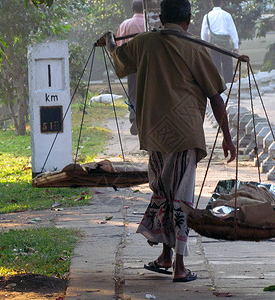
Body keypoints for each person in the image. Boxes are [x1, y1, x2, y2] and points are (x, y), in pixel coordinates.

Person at [97, 0, 235, 283]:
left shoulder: (145, 42)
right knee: (180, 198)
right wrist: (227, 138)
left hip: (155, 134)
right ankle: (178, 266)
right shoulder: (195, 47)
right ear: (189, 20)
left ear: (161, 17)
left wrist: (110, 41)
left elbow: (119, 60)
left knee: (164, 193)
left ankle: (166, 256)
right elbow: (216, 97)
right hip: (184, 135)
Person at [117, 0, 145, 135]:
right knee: (148, 90)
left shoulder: (125, 24)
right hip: (148, 64)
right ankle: (146, 119)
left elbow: (120, 47)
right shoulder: (150, 23)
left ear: (132, 9)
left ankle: (134, 116)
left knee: (133, 91)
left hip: (132, 65)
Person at [201, 0, 239, 83]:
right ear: (221, 3)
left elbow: (204, 33)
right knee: (228, 66)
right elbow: (233, 31)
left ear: (212, 3)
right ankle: (229, 86)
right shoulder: (227, 15)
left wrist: (204, 46)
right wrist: (235, 46)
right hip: (226, 45)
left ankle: (218, 86)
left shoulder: (207, 16)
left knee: (215, 66)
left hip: (213, 45)